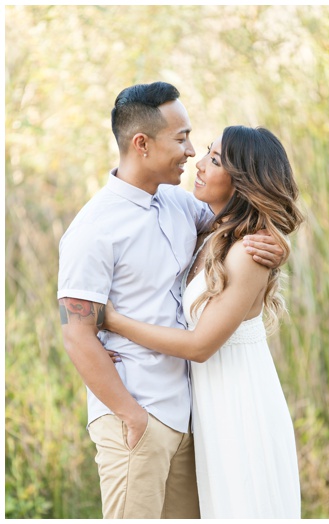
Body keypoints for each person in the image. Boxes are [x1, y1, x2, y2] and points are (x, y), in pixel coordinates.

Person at [57, 82, 282, 519]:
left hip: (190, 419)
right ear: (141, 143)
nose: (191, 150)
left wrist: (276, 247)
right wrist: (130, 417)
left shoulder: (180, 205)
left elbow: (239, 222)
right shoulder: (92, 230)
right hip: (137, 418)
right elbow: (77, 336)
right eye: (181, 138)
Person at [103, 125, 304, 518]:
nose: (199, 161)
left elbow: (199, 346)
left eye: (214, 160)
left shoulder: (248, 252)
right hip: (209, 405)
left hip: (241, 402)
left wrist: (113, 321)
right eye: (207, 153)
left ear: (243, 181)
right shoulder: (213, 232)